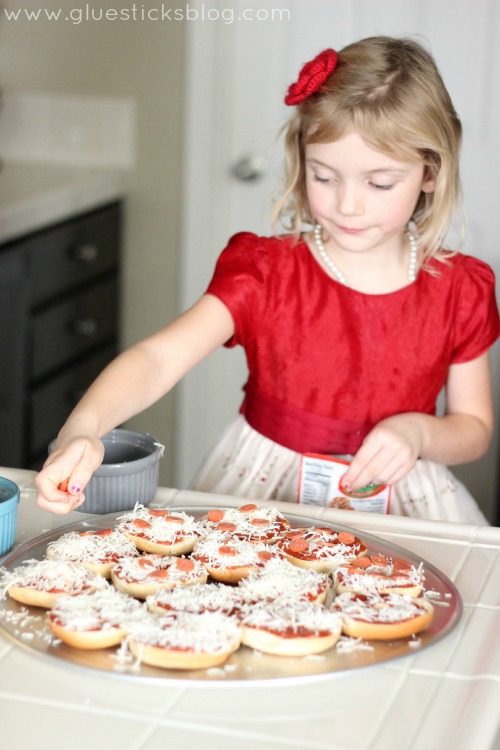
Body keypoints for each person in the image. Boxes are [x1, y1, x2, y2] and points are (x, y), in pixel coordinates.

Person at [36, 36, 500, 524]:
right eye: (324, 176)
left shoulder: (460, 288)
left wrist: (418, 434)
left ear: (431, 171)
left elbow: (473, 427)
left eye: (379, 183)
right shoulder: (265, 272)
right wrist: (82, 429)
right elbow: (155, 360)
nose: (348, 204)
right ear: (301, 159)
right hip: (257, 493)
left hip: (406, 502)